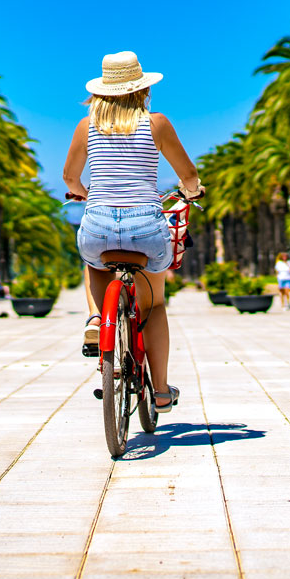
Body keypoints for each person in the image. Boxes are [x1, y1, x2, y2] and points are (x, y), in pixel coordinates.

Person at [63, 51, 204, 413]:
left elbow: (69, 177)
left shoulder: (85, 126)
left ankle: (96, 319)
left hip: (98, 222)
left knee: (93, 261)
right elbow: (187, 174)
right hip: (146, 225)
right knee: (154, 304)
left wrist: (80, 192)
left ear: (102, 92)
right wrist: (192, 190)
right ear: (142, 89)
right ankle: (159, 390)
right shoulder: (156, 124)